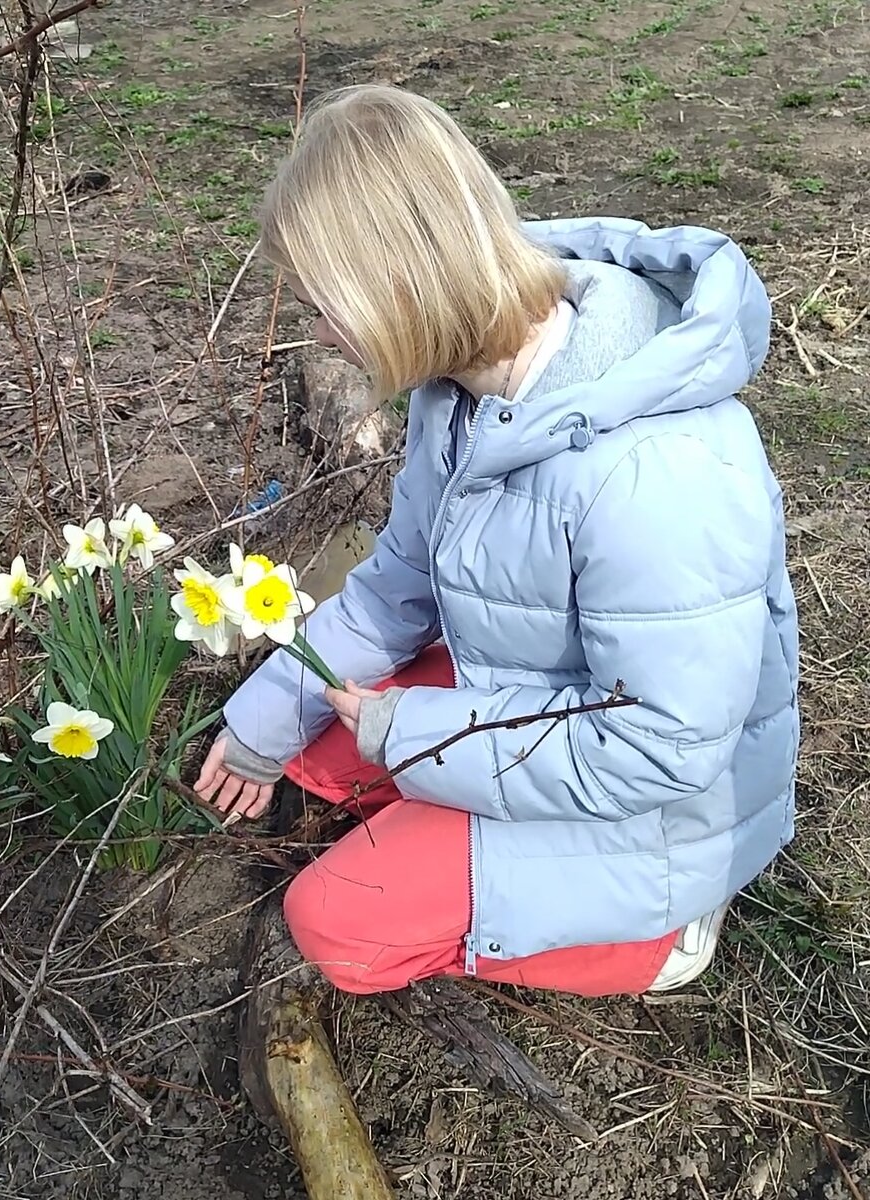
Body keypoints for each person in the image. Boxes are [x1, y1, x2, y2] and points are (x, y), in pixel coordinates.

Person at [194, 84, 799, 998]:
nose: (316, 332)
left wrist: (410, 730)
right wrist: (263, 718)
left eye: (324, 302)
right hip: (551, 703)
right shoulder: (464, 389)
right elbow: (395, 586)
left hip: (662, 809)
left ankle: (663, 938)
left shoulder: (653, 473)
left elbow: (659, 747)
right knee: (315, 757)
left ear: (396, 285)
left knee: (335, 923)